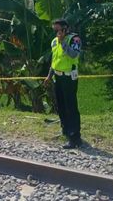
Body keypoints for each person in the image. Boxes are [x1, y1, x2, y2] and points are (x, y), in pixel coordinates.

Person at [43, 19, 82, 149]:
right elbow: (55, 60)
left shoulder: (74, 39)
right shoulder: (54, 42)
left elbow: (73, 55)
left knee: (71, 107)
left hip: (69, 77)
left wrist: (63, 42)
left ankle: (75, 136)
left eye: (59, 30)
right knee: (61, 105)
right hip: (58, 77)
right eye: (55, 30)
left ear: (65, 29)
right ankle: (65, 129)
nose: (57, 33)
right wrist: (49, 76)